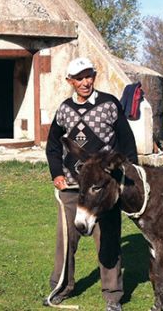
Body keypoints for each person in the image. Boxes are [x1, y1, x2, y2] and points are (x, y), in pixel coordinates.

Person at [44, 57, 138, 311]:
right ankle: (60, 287)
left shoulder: (109, 104)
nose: (86, 82)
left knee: (107, 241)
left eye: (89, 76)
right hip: (72, 187)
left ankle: (113, 297)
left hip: (104, 189)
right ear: (70, 81)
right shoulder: (64, 109)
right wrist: (56, 173)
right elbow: (53, 145)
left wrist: (130, 177)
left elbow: (126, 142)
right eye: (80, 77)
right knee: (66, 242)